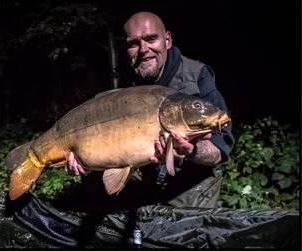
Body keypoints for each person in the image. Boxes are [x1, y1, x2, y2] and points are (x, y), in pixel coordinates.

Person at [64, 11, 233, 209]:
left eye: (151, 39)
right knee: (96, 194)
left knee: (183, 232)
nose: (144, 49)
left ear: (167, 40)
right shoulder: (125, 82)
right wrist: (88, 162)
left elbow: (219, 151)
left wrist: (191, 151)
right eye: (133, 44)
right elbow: (109, 144)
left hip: (189, 179)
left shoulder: (197, 77)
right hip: (144, 171)